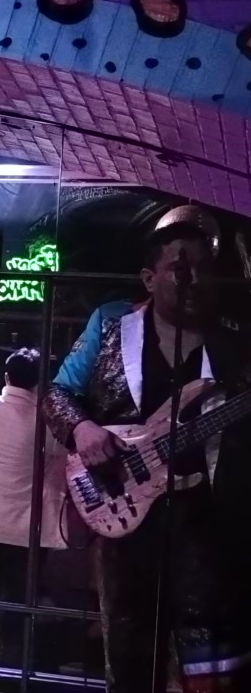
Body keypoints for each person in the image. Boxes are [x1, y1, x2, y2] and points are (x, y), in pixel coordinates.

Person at [42, 222, 251, 692]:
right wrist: (82, 429)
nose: (193, 279)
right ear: (149, 278)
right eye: (179, 267)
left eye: (203, 268)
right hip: (127, 515)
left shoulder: (235, 343)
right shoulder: (110, 326)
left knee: (211, 654)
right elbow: (57, 394)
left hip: (212, 523)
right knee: (130, 646)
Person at [0, 347, 66, 665]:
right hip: (25, 531)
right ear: (42, 383)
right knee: (18, 600)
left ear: (6, 378)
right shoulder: (48, 424)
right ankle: (9, 664)